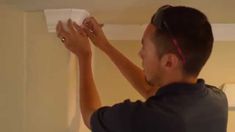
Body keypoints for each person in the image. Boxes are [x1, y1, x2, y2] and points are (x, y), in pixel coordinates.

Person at [56, 5, 228, 132]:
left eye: (144, 47)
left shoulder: (148, 119)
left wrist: (84, 56)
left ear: (169, 62)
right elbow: (150, 89)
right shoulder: (217, 101)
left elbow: (90, 117)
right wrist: (105, 46)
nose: (140, 54)